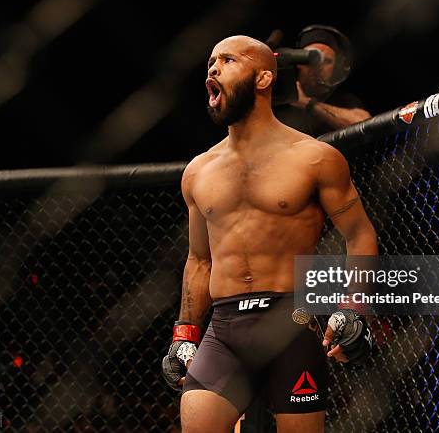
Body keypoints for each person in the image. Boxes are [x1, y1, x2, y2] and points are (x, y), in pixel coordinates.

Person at [161, 35, 378, 433]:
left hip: (290, 323)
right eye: (210, 61)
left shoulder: (314, 157)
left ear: (263, 78)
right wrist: (184, 333)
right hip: (223, 330)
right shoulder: (198, 171)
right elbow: (200, 259)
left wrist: (354, 308)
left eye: (227, 60)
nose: (212, 68)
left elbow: (359, 235)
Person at [274, 25, 371, 136]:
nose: (318, 66)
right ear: (298, 61)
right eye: (311, 58)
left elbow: (365, 124)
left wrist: (308, 103)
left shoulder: (343, 101)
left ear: (335, 67)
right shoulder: (279, 98)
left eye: (327, 61)